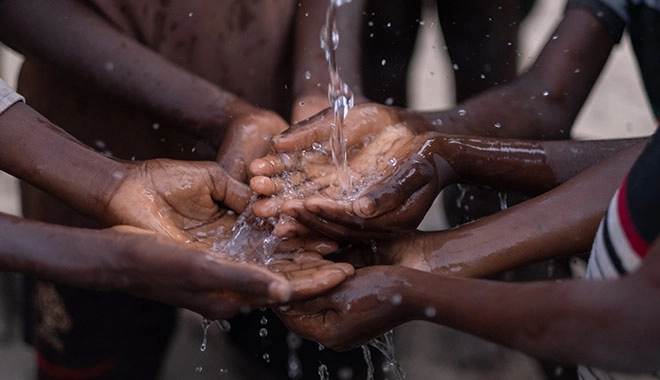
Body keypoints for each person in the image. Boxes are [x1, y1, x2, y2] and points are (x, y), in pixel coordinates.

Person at [0, 0, 370, 378]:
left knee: (300, 344)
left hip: (279, 127)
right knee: (98, 355)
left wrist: (325, 91)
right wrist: (107, 223)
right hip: (78, 151)